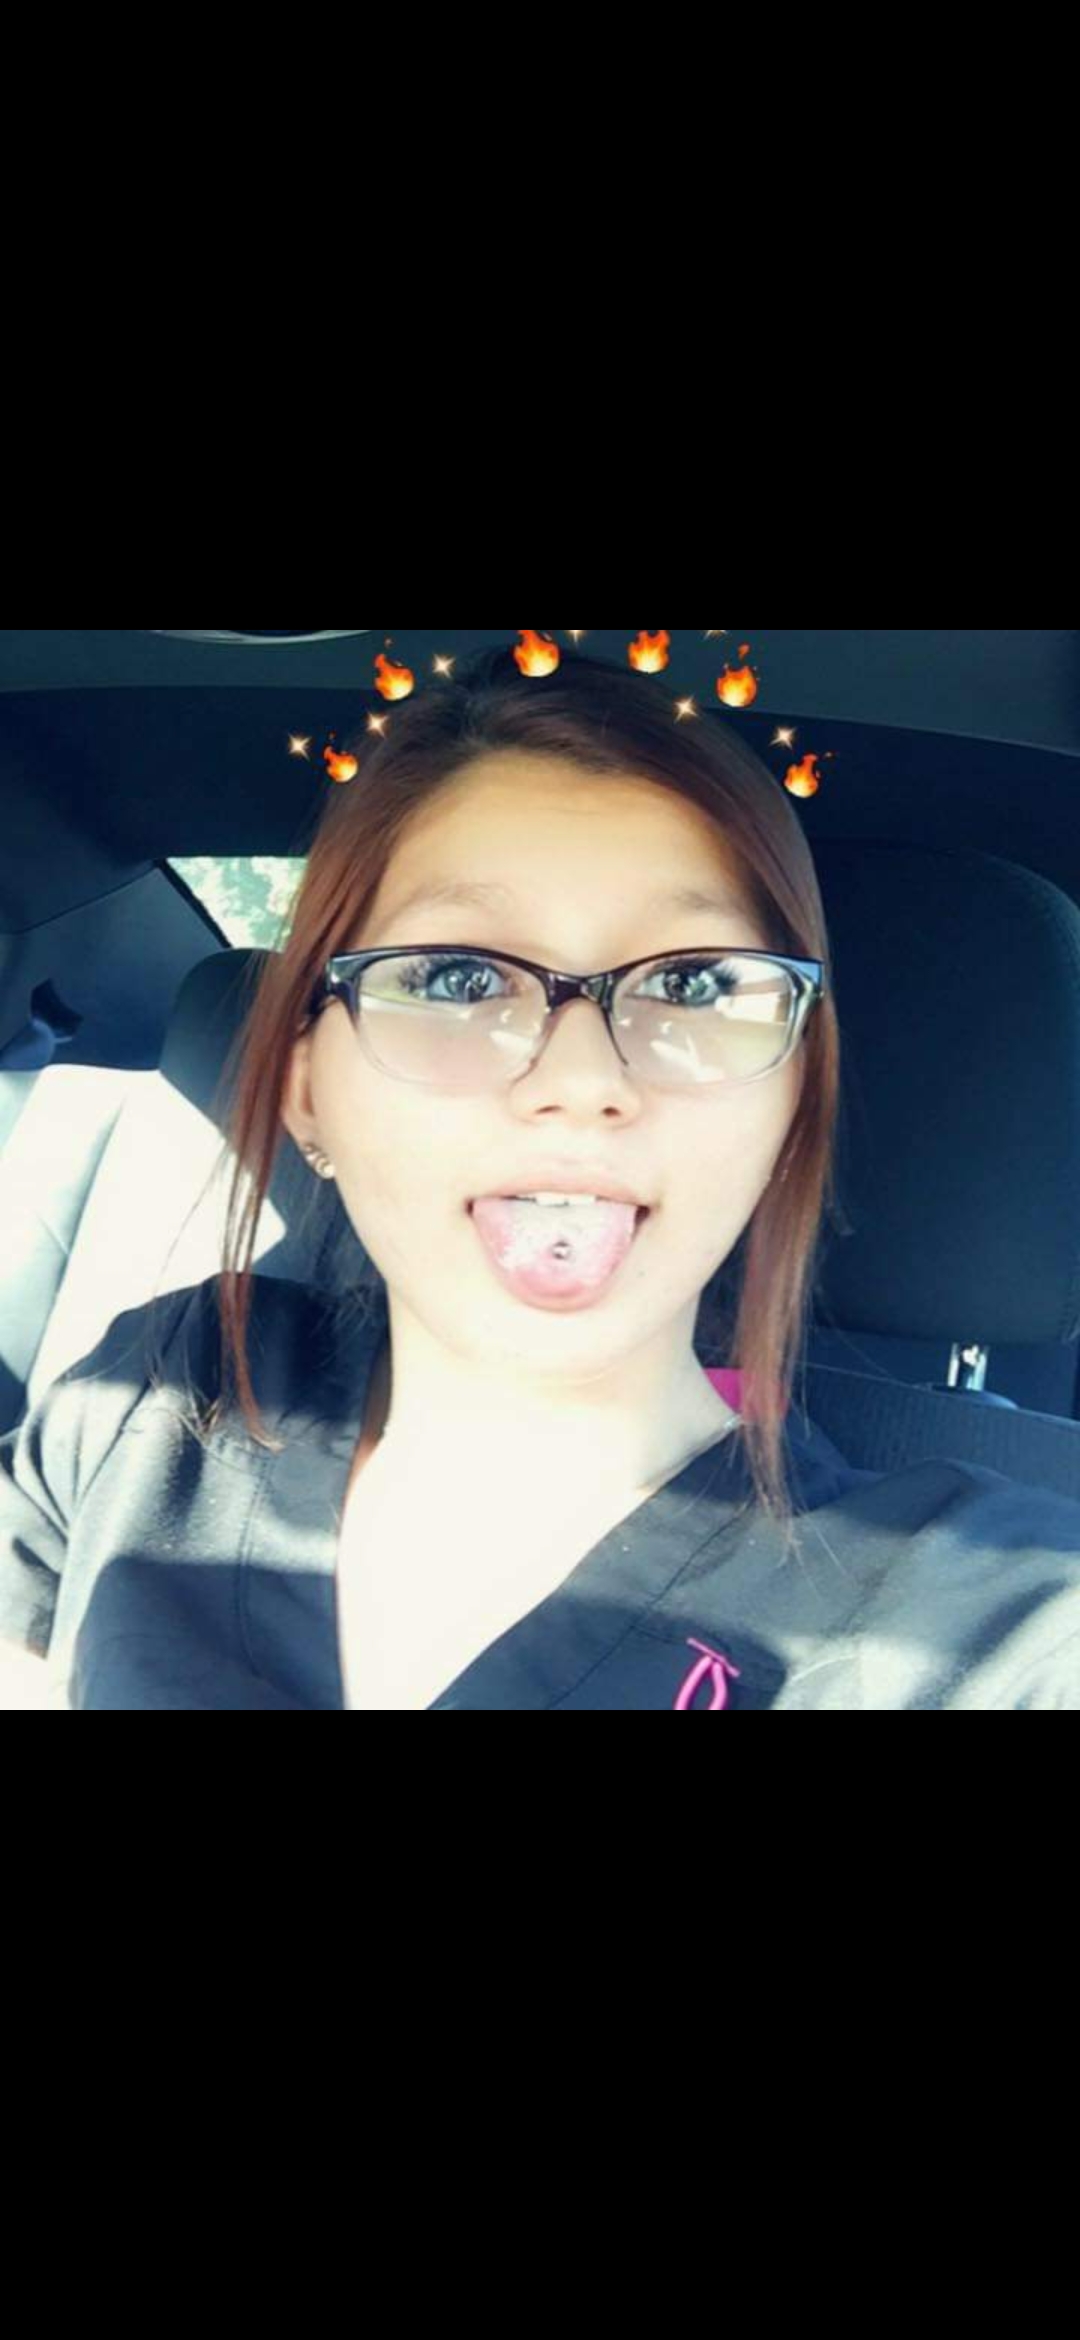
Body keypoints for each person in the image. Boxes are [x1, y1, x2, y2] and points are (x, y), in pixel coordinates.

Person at [4, 645, 1080, 1708]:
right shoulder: (155, 1402)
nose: (580, 1081)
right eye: (456, 978)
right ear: (307, 1091)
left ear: (792, 1108)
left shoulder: (995, 1623)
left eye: (695, 985)